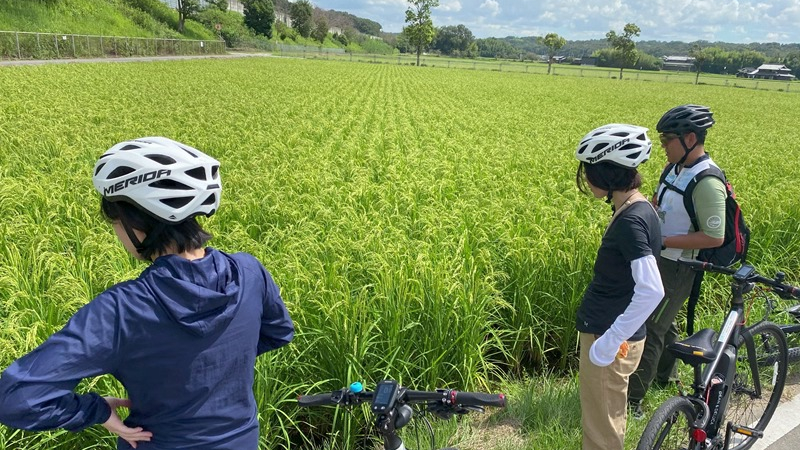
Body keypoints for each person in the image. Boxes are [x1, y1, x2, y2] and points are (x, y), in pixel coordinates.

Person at [0, 137, 295, 449]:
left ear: (134, 223)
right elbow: (278, 332)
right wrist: (214, 367)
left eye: (115, 222)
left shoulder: (122, 310)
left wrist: (95, 411)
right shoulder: (249, 272)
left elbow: (17, 398)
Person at [627, 104, 726, 417]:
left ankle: (633, 402)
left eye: (667, 139)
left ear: (690, 138)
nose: (662, 146)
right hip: (658, 258)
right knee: (665, 322)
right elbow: (660, 204)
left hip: (679, 266)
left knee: (651, 327)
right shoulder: (674, 169)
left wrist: (664, 241)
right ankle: (666, 376)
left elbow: (714, 238)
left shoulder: (708, 181)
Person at [575, 124, 665, 450]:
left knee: (602, 435)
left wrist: (611, 340)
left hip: (609, 338)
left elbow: (652, 289)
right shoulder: (637, 208)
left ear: (608, 172)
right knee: (608, 420)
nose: (586, 178)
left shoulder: (631, 220)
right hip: (613, 334)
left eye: (590, 170)